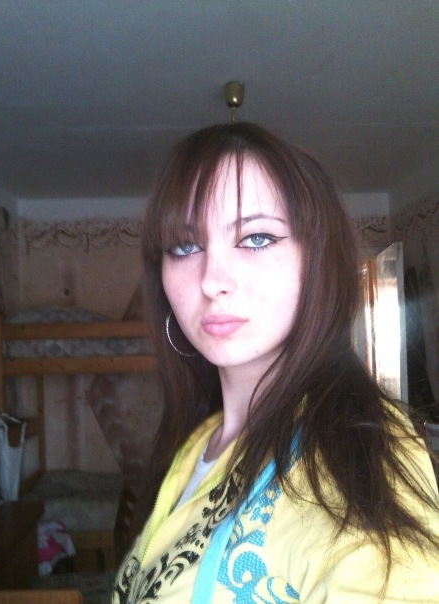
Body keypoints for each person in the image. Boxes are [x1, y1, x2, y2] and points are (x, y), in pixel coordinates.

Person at [113, 122, 439, 603]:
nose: (212, 280)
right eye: (185, 246)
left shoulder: (365, 449)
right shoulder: (197, 444)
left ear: (317, 261)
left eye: (257, 238)